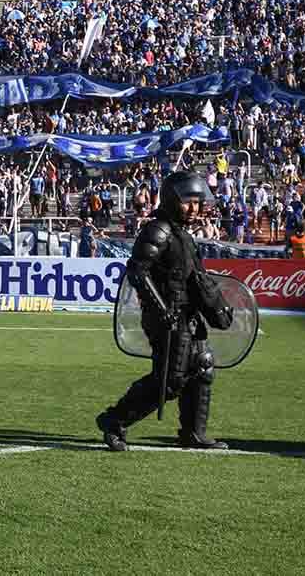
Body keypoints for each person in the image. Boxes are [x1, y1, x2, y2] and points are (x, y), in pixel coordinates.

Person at [96, 171, 234, 452]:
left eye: (198, 203)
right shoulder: (159, 230)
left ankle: (193, 433)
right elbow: (137, 271)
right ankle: (114, 421)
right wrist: (161, 310)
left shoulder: (184, 235)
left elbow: (195, 278)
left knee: (202, 367)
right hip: (167, 317)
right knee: (170, 380)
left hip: (188, 315)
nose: (194, 209)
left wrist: (212, 305)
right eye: (188, 202)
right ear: (172, 200)